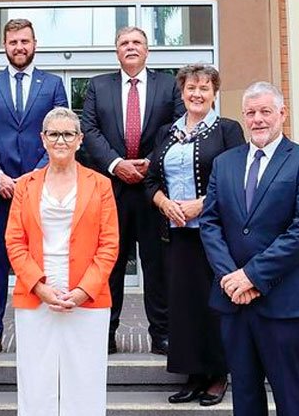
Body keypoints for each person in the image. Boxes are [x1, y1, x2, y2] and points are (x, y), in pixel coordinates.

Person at [199, 81, 299, 416]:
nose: (257, 119)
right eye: (250, 113)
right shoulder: (224, 163)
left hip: (282, 304)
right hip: (233, 302)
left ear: (282, 113)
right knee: (244, 397)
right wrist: (231, 278)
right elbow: (210, 223)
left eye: (265, 111)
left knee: (289, 399)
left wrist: (252, 276)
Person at [5, 107, 119, 416]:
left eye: (68, 134)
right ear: (43, 139)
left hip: (87, 294)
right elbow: (15, 241)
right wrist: (39, 287)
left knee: (85, 380)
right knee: (35, 380)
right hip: (36, 292)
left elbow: (109, 244)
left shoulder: (100, 184)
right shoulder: (25, 185)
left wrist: (83, 291)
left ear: (80, 140)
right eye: (54, 134)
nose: (61, 140)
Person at [143, 64, 245, 406]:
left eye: (204, 88)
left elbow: (235, 178)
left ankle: (217, 374)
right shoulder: (166, 133)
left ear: (214, 93)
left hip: (212, 233)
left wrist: (200, 205)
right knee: (183, 305)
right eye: (191, 88)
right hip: (175, 234)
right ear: (182, 92)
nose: (196, 94)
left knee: (212, 303)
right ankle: (192, 374)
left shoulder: (228, 130)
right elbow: (151, 181)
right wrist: (164, 203)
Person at [81, 25, 185, 355]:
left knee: (156, 265)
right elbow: (88, 129)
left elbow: (179, 128)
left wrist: (150, 163)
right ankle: (106, 332)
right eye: (124, 42)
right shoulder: (98, 86)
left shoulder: (169, 85)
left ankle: (162, 334)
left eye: (137, 42)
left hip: (153, 190)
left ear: (147, 50)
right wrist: (116, 164)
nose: (131, 47)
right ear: (117, 51)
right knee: (109, 264)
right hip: (112, 189)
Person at [0, 18, 68, 360]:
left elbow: (60, 132)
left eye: (25, 41)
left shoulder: (53, 85)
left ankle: (41, 331)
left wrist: (34, 176)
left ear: (34, 44)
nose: (19, 47)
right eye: (13, 42)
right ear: (5, 46)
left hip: (41, 188)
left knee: (42, 261)